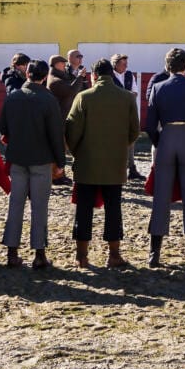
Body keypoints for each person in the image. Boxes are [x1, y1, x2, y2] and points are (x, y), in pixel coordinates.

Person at [66, 58, 141, 269]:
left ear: (94, 76)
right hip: (115, 163)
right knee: (113, 208)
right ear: (111, 73)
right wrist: (119, 147)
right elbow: (134, 130)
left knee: (84, 210)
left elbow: (72, 131)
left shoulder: (83, 97)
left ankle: (81, 256)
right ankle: (114, 254)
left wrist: (77, 152)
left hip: (87, 163)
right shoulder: (126, 98)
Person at [145, 47, 185, 268]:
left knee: (160, 198)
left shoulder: (157, 87)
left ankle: (154, 253)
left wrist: (159, 142)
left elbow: (149, 125)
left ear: (168, 66)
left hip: (167, 137)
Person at [0, 58, 65, 270]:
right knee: (39, 207)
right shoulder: (48, 100)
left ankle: (12, 252)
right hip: (41, 159)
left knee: (15, 205)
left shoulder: (13, 97)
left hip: (18, 158)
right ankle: (39, 254)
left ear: (27, 74)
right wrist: (60, 162)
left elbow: (4, 129)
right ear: (44, 77)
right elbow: (56, 134)